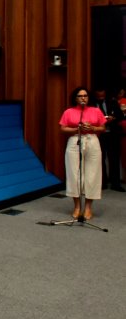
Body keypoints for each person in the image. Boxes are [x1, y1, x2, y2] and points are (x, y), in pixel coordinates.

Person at [59, 87, 106, 220]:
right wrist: (76, 128)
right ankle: (77, 206)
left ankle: (88, 208)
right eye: (80, 96)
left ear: (88, 97)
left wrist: (93, 128)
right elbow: (62, 128)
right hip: (75, 140)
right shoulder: (69, 111)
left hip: (92, 140)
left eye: (85, 96)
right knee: (74, 173)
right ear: (75, 98)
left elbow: (103, 127)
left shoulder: (96, 111)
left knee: (93, 174)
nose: (83, 98)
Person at [92, 88, 125, 191]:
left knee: (114, 159)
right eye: (99, 97)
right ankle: (102, 183)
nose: (101, 98)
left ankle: (116, 184)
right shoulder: (92, 105)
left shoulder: (112, 102)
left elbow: (120, 116)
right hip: (99, 135)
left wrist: (113, 118)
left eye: (102, 96)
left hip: (112, 134)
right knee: (99, 159)